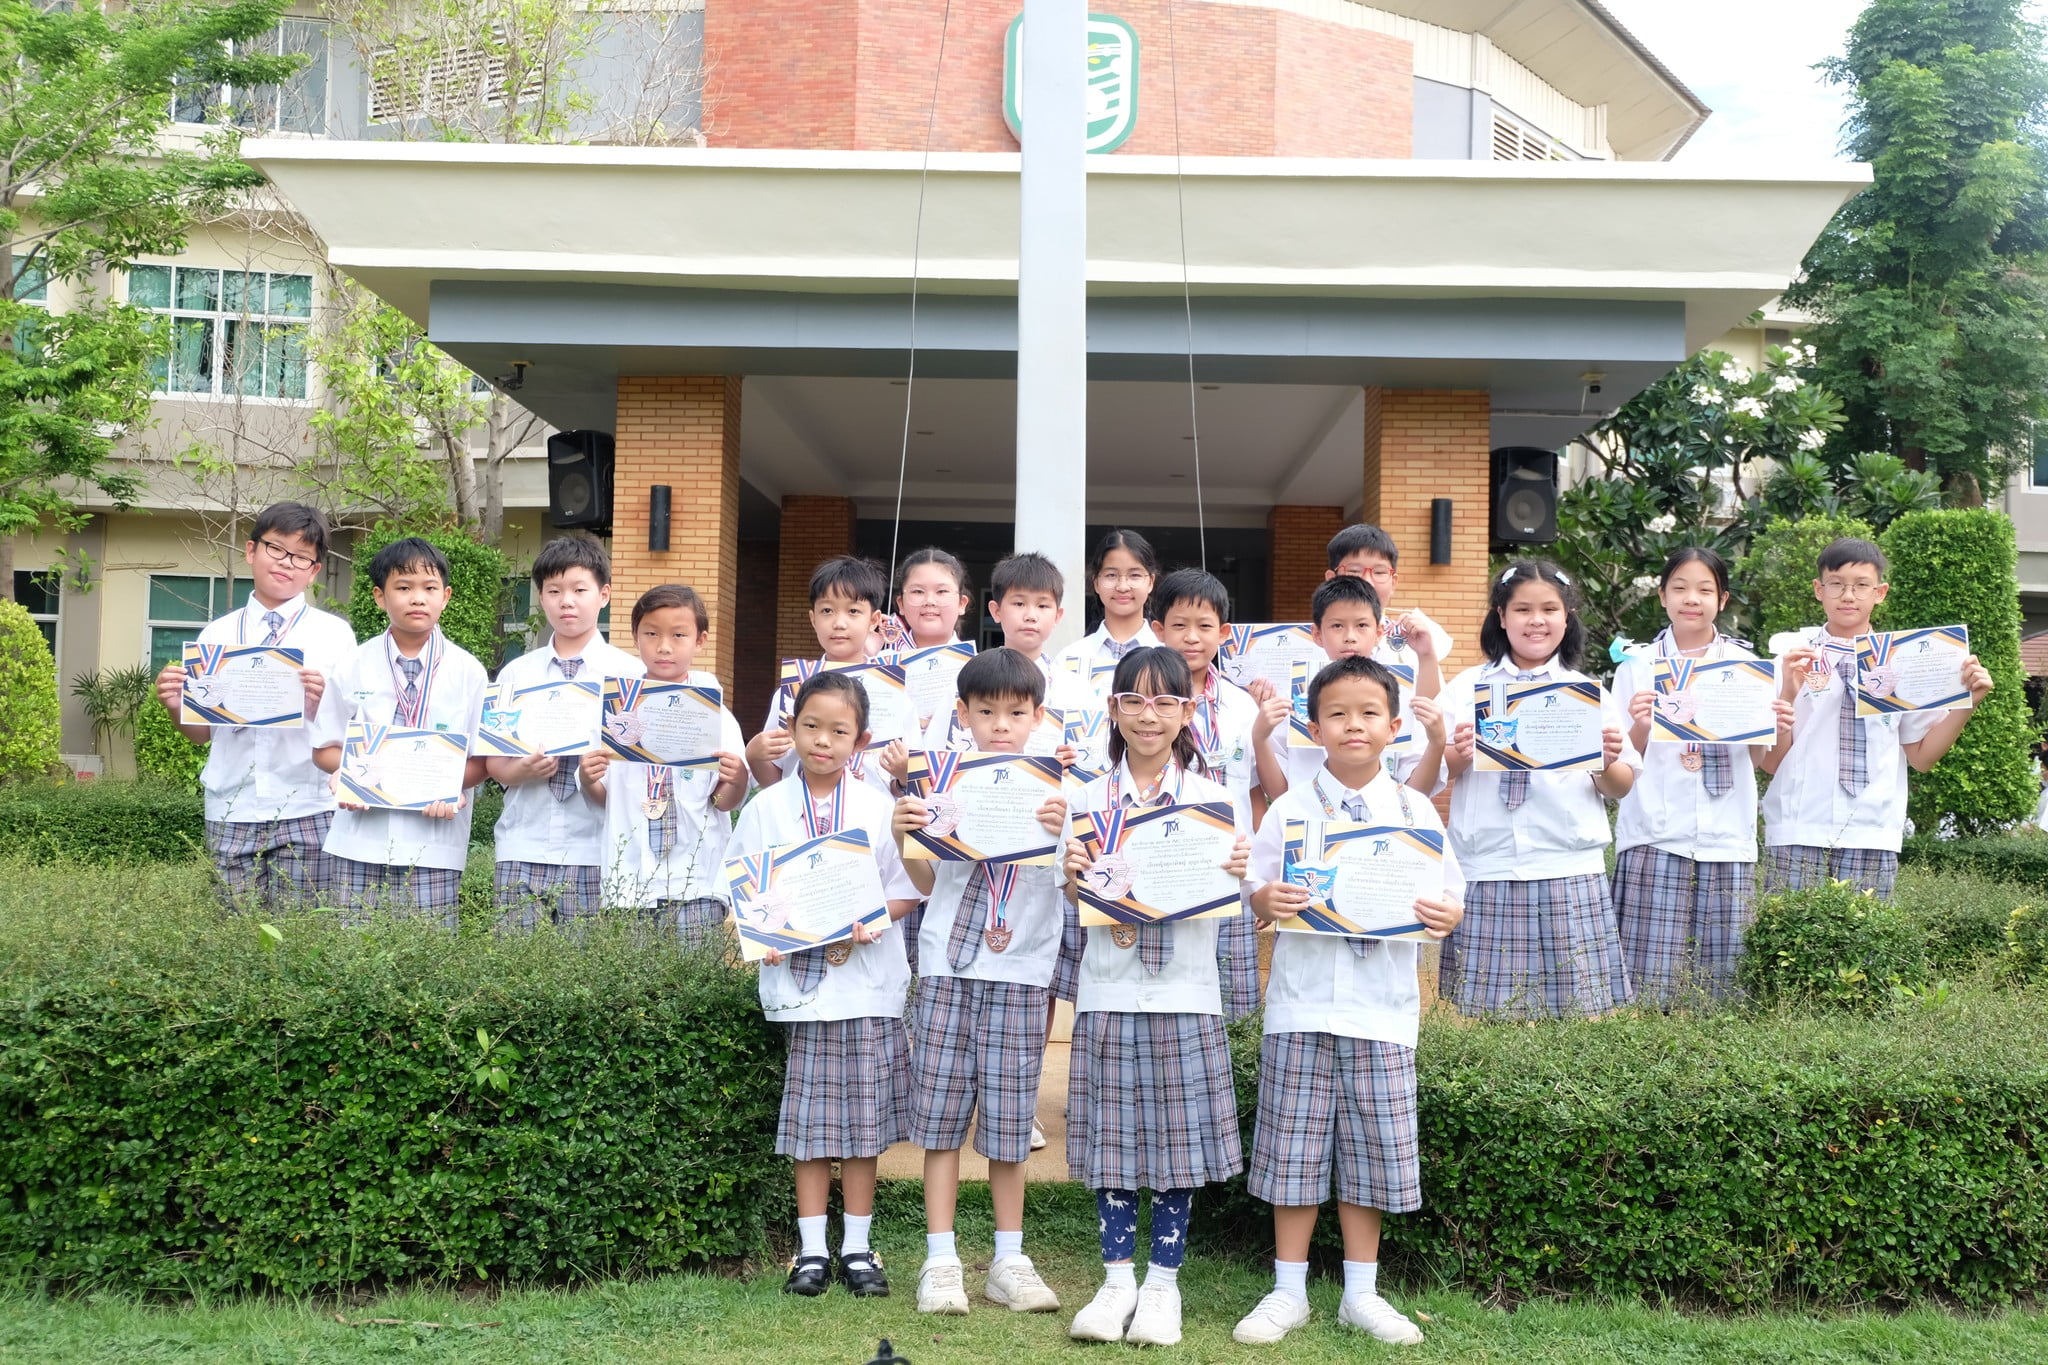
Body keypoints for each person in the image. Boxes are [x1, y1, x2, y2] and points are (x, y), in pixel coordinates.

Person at [1234, 655, 1464, 1346]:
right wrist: (1267, 900)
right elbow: (1255, 890)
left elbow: (1449, 895)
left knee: (1372, 1149)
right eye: (1337, 713)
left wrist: (1446, 914)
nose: (1353, 725)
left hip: (1381, 1011)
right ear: (1314, 728)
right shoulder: (1292, 809)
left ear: (1394, 727)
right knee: (1293, 1148)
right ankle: (1288, 1290)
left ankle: (1361, 1293)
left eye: (1369, 713)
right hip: (1302, 1004)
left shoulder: (1416, 813)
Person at [1061, 647, 1251, 1347]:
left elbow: (1237, 896)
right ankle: (1116, 1282)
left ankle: (1163, 1284)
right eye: (1134, 700)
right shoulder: (1088, 801)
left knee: (1178, 1144)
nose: (1149, 714)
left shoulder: (1213, 802)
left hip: (1185, 989)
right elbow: (1072, 897)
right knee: (1111, 1141)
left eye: (1165, 701)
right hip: (1110, 987)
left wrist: (1237, 869)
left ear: (1187, 710)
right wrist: (1073, 873)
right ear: (1113, 709)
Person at [892, 648, 1069, 1317]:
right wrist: (905, 834)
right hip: (947, 964)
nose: (1001, 724)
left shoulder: (1059, 792)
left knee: (1009, 1118)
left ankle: (1009, 1258)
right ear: (962, 713)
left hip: (1021, 969)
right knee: (940, 1118)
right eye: (986, 711)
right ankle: (940, 1259)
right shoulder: (944, 782)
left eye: (1015, 713)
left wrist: (1063, 833)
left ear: (1037, 716)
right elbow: (925, 882)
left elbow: (1078, 882)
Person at [735, 672, 921, 1299]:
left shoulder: (877, 808)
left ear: (860, 741)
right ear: (790, 729)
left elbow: (906, 889)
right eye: (810, 726)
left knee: (864, 1126)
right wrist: (768, 928)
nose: (822, 741)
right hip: (803, 988)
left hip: (866, 986)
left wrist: (873, 920)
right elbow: (742, 888)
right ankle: (811, 1250)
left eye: (839, 731)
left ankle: (858, 1248)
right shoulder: (766, 807)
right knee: (810, 1126)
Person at [1441, 560, 1636, 1018]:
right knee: (1490, 1015)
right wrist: (1460, 753)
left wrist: (1604, 763)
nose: (1536, 620)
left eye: (1549, 609)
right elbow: (1432, 773)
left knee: (1577, 1015)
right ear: (1501, 616)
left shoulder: (1586, 693)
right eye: (1522, 609)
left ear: (1567, 618)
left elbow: (1621, 786)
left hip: (1567, 867)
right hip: (1488, 867)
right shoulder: (1467, 687)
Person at [1758, 538, 1994, 897]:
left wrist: (1968, 703)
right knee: (1791, 932)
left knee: (1865, 934)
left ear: (1880, 592)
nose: (1848, 595)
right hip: (1798, 825)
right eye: (1836, 584)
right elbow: (1771, 763)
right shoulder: (1790, 662)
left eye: (1861, 585)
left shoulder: (1902, 662)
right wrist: (1788, 693)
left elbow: (1922, 757)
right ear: (1818, 589)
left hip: (1872, 828)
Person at [151, 501, 357, 910]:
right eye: (276, 548)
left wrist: (320, 705)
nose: (286, 562)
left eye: (301, 556)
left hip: (307, 804)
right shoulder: (216, 636)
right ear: (251, 550)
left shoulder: (335, 636)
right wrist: (175, 705)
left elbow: (352, 727)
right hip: (234, 804)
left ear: (314, 570)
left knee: (303, 931)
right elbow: (200, 734)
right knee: (235, 930)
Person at [1613, 549, 1794, 1002]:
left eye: (1704, 590)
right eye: (1679, 588)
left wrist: (1774, 726)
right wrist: (1641, 723)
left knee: (1724, 986)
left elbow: (1757, 758)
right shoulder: (1637, 667)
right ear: (1662, 596)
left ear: (1723, 599)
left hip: (1726, 832)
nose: (1691, 599)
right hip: (1655, 832)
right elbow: (1618, 761)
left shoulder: (1748, 667)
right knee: (1647, 982)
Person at [311, 537, 489, 928]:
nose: (417, 598)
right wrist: (350, 775)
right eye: (403, 587)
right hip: (359, 841)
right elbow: (324, 749)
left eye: (429, 588)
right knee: (353, 952)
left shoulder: (468, 672)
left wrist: (447, 786)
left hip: (433, 845)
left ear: (446, 596)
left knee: (429, 953)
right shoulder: (353, 665)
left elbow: (482, 760)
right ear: (380, 597)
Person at [485, 537, 644, 929]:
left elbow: (640, 769)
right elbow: (494, 761)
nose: (566, 601)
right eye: (554, 591)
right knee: (515, 959)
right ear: (541, 597)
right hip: (523, 842)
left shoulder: (631, 677)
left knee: (588, 964)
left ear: (604, 594)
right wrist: (520, 770)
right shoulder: (515, 674)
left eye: (579, 590)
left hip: (596, 846)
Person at [579, 584, 750, 945]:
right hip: (630, 881)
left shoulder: (715, 713)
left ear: (700, 640)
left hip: (697, 879)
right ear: (635, 637)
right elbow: (603, 798)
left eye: (679, 635)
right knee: (629, 975)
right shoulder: (614, 710)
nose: (664, 646)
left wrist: (736, 779)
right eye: (652, 634)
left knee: (694, 972)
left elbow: (724, 802)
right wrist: (589, 777)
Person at [1147, 566, 1263, 1020]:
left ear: (1224, 633)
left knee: (1233, 1004)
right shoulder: (1141, 706)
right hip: (1165, 865)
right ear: (1158, 630)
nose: (1191, 637)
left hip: (1230, 869)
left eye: (1204, 626)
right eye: (1179, 625)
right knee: (1164, 992)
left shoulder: (1242, 705)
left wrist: (1257, 876)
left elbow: (1256, 793)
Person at [1252, 576, 1447, 806]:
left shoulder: (1399, 697)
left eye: (1362, 625)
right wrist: (1260, 737)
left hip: (1384, 820)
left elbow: (1415, 793)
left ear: (1379, 632)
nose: (1350, 637)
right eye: (1337, 626)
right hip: (1308, 819)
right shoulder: (1293, 698)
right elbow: (1279, 792)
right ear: (1317, 634)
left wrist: (1437, 743)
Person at [745, 555, 891, 789]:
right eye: (827, 610)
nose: (839, 623)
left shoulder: (893, 689)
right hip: (801, 810)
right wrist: (754, 756)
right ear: (813, 619)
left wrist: (902, 776)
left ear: (874, 620)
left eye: (853, 611)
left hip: (874, 810)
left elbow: (906, 776)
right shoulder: (793, 689)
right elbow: (776, 780)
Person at [1324, 523, 1449, 698]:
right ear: (1331, 579)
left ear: (1393, 582)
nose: (1367, 581)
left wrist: (1427, 656)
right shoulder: (1309, 641)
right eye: (1354, 571)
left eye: (1379, 572)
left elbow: (1433, 707)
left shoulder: (1412, 644)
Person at [1053, 530, 1161, 698]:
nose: (1123, 586)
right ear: (1096, 582)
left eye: (1134, 575)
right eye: (1111, 575)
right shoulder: (1069, 658)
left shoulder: (1167, 655)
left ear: (1150, 582)